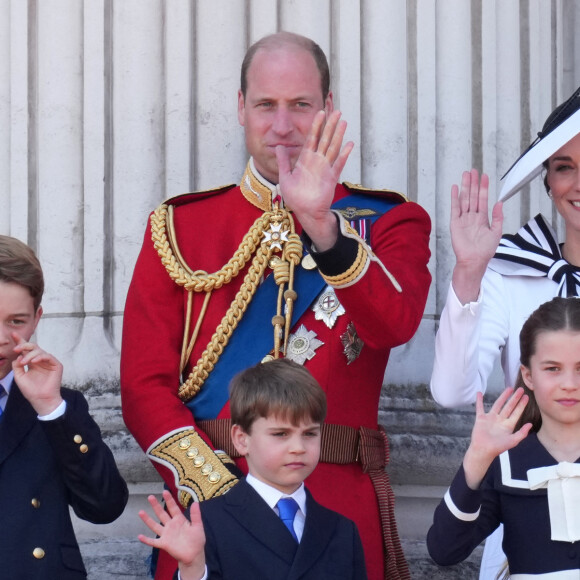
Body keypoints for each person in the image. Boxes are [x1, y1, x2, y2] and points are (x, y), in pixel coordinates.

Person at [121, 31, 431, 580]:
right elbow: (144, 387)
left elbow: (394, 326)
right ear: (241, 107)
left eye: (301, 106)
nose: (283, 126)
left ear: (328, 109)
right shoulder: (179, 228)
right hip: (207, 512)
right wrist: (219, 496)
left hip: (336, 512)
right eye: (266, 105)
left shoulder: (387, 223)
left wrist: (323, 228)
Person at [430, 85, 580, 578]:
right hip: (524, 511)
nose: (578, 182)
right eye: (564, 167)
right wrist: (470, 272)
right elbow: (453, 391)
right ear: (548, 180)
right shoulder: (510, 272)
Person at [138, 358, 368, 580]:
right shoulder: (207, 521)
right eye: (280, 434)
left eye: (309, 434)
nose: (298, 448)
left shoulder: (342, 530)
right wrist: (192, 570)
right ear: (241, 439)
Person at [0, 235, 128, 579]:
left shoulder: (60, 406)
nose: (0, 337)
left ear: (37, 317)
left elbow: (104, 506)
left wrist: (51, 410)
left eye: (15, 321)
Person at [428, 296, 580, 577]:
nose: (569, 384)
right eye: (553, 369)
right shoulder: (505, 462)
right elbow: (444, 550)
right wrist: (476, 459)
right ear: (528, 375)